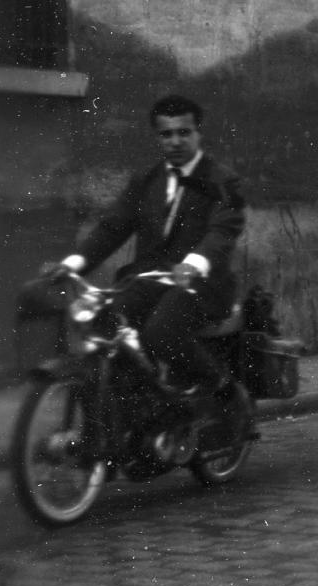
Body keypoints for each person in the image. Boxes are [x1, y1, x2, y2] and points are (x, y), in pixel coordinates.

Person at [51, 94, 246, 400]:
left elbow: (223, 230)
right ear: (158, 137)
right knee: (105, 325)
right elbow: (113, 227)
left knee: (161, 332)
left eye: (184, 132)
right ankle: (138, 409)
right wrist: (73, 263)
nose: (175, 141)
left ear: (198, 133)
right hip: (149, 280)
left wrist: (194, 264)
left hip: (202, 285)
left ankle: (220, 387)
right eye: (166, 134)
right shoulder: (146, 180)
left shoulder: (223, 179)